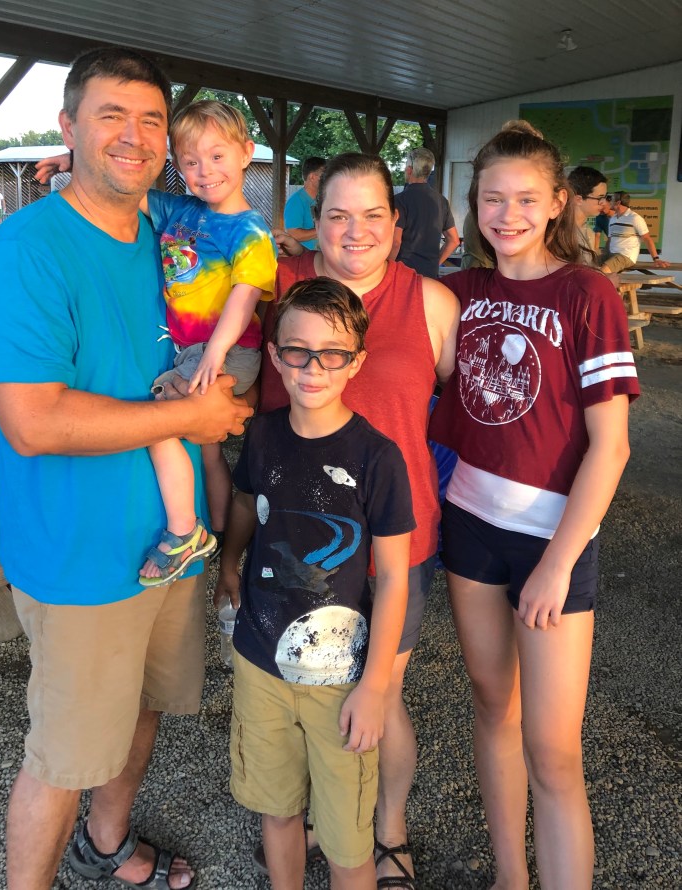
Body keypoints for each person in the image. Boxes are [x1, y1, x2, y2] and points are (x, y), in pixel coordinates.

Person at [0, 46, 252, 890]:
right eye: (111, 116)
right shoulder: (30, 248)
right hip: (81, 559)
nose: (134, 136)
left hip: (173, 545)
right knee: (64, 754)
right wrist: (192, 419)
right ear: (69, 127)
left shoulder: (171, 231)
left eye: (151, 120)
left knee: (144, 708)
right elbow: (31, 422)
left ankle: (107, 841)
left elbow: (255, 249)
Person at [429, 121, 640, 890]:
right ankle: (509, 877)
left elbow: (610, 448)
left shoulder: (587, 293)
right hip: (470, 527)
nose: (507, 213)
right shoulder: (457, 293)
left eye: (525, 198)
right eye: (492, 198)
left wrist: (558, 562)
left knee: (554, 751)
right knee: (494, 709)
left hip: (553, 540)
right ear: (473, 203)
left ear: (557, 203)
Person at [258, 152, 460, 888]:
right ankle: (318, 816)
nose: (355, 230)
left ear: (396, 223)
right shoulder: (274, 287)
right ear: (313, 223)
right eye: (338, 214)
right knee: (304, 689)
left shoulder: (432, 304)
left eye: (373, 214)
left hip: (395, 544)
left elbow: (449, 401)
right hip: (295, 537)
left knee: (380, 693)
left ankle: (388, 829)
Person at [216, 276, 414, 889]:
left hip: (342, 682)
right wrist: (228, 562)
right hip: (260, 665)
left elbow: (396, 580)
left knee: (347, 840)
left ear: (356, 361)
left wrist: (375, 687)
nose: (312, 367)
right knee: (277, 812)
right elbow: (245, 503)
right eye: (297, 351)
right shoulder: (263, 434)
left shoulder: (378, 458)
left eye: (331, 353)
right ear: (275, 356)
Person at [137, 100, 277, 583]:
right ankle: (216, 530)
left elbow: (245, 295)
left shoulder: (250, 229)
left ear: (246, 153)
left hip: (228, 349)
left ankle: (184, 531)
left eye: (217, 156)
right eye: (191, 161)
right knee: (209, 448)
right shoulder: (181, 210)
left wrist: (216, 351)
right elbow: (128, 189)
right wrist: (71, 162)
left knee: (158, 422)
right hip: (195, 349)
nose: (205, 171)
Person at [389, 147, 460, 278]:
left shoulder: (399, 201)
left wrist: (386, 268)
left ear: (409, 170)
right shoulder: (441, 201)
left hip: (403, 274)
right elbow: (454, 240)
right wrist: (435, 264)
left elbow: (395, 242)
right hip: (430, 276)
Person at [600, 191, 669, 273]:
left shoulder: (635, 218)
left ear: (618, 203)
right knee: (590, 264)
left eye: (611, 199)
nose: (609, 202)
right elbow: (610, 239)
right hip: (611, 254)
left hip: (625, 255)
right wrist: (604, 254)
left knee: (603, 271)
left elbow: (647, 238)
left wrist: (656, 259)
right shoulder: (613, 218)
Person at [566, 165, 609, 263]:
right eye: (600, 198)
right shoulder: (561, 234)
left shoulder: (588, 231)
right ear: (578, 199)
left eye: (605, 197)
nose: (604, 202)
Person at [283, 156, 326, 249]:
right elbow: (294, 234)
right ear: (312, 177)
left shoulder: (323, 199)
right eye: (324, 175)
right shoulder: (296, 201)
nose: (327, 179)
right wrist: (324, 229)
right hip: (305, 255)